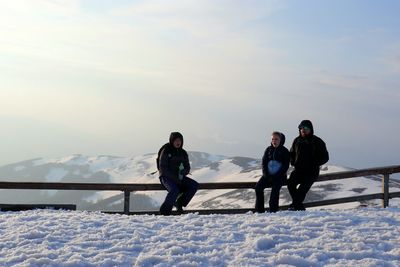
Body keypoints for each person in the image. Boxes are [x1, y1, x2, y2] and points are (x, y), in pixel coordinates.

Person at [287, 120, 329, 211]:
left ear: (310, 129)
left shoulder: (317, 141)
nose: (303, 130)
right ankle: (299, 206)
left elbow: (325, 157)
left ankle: (295, 206)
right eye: (301, 128)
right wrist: (293, 162)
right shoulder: (296, 140)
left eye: (306, 128)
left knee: (302, 189)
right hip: (298, 170)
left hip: (311, 171)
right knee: (290, 184)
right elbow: (292, 153)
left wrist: (314, 163)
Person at [158, 132, 198, 215]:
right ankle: (164, 212)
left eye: (179, 140)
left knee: (194, 185)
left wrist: (184, 171)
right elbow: (163, 167)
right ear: (172, 141)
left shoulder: (183, 152)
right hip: (166, 177)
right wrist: (174, 178)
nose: (178, 142)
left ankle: (179, 203)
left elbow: (187, 167)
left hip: (180, 177)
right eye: (176, 140)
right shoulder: (166, 150)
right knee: (174, 190)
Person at [255, 131, 290, 213]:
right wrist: (266, 174)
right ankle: (259, 210)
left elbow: (285, 166)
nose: (274, 141)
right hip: (267, 175)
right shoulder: (268, 149)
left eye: (276, 139)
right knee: (258, 187)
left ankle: (273, 210)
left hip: (280, 176)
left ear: (281, 140)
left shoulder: (285, 151)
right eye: (273, 139)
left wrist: (277, 176)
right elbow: (264, 163)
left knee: (275, 189)